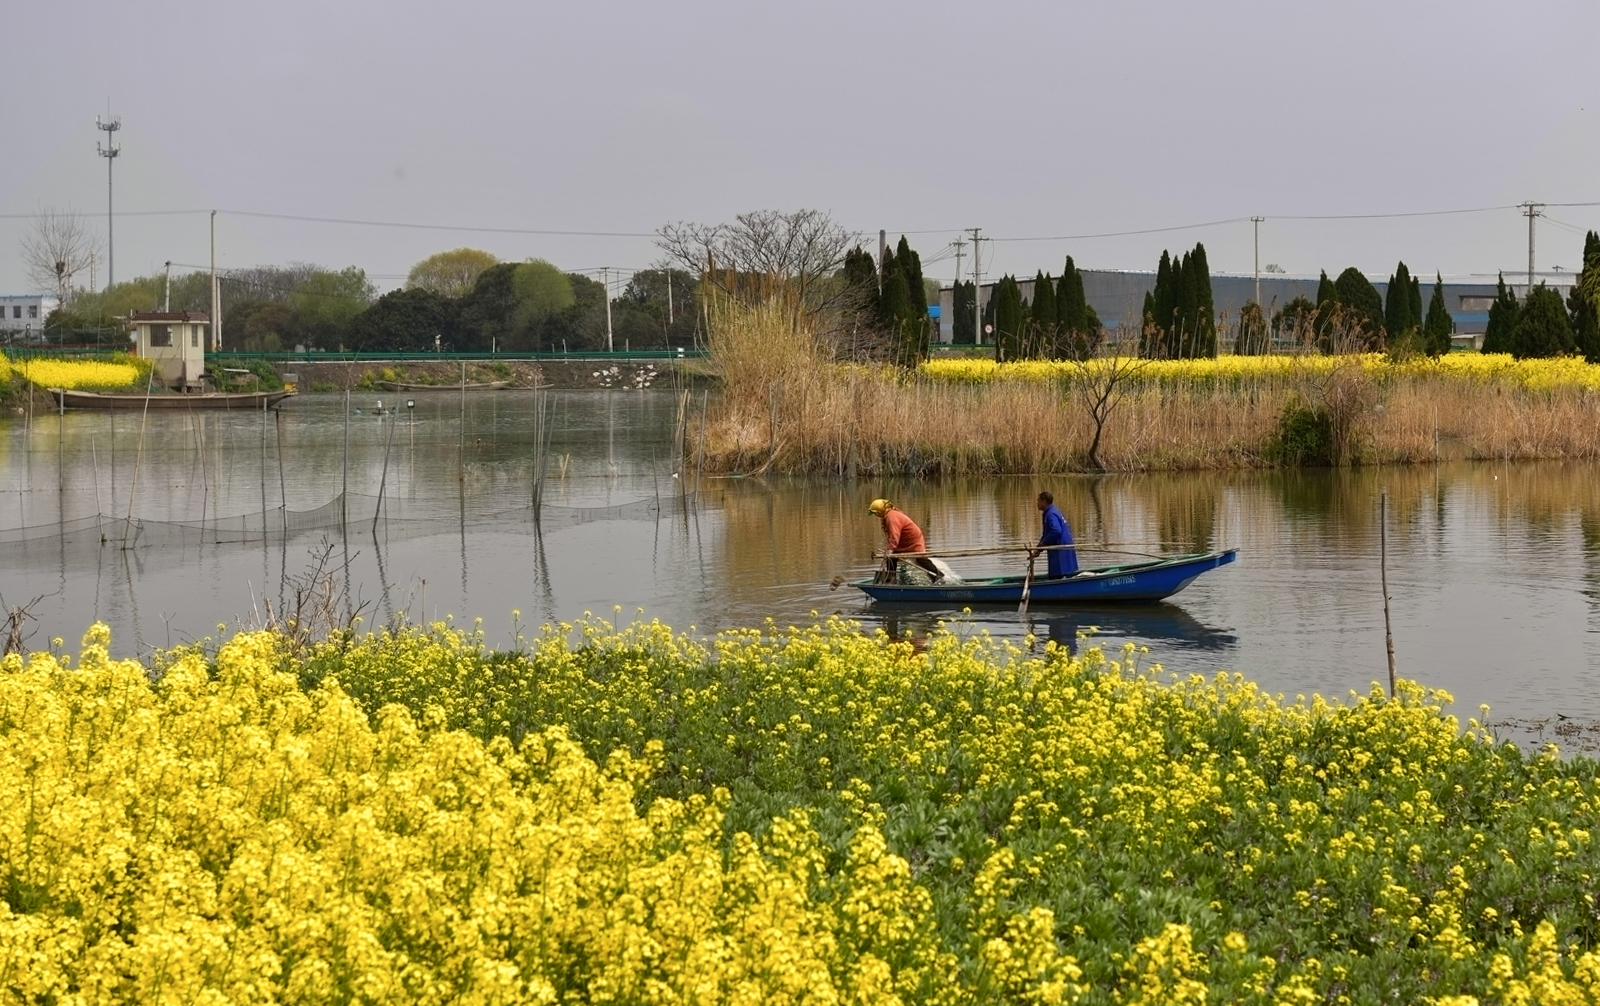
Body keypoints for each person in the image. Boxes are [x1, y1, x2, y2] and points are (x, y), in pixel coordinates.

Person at [868, 498, 943, 584]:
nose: (876, 515)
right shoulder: (890, 514)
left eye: (875, 513)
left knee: (920, 558)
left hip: (912, 539)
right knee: (891, 559)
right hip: (904, 541)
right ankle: (890, 580)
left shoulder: (891, 517)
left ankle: (938, 575)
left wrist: (890, 549)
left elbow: (894, 535)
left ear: (880, 510)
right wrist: (890, 550)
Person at [1036, 490, 1079, 579]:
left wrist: (1044, 543)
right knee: (1066, 569)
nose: (1037, 503)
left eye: (1038, 501)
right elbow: (1047, 532)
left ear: (1044, 501)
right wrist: (1039, 549)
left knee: (1060, 571)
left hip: (1060, 545)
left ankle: (1060, 585)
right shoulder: (1053, 511)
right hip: (1063, 543)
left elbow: (1056, 530)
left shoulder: (1051, 514)